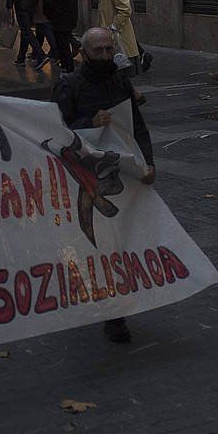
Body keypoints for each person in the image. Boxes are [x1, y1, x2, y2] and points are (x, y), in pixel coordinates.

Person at [52, 27, 155, 343]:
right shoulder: (69, 86)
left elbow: (137, 125)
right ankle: (107, 308)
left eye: (110, 50)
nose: (106, 56)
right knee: (98, 246)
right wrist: (88, 125)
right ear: (84, 53)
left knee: (120, 245)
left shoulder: (119, 81)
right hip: (86, 184)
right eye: (98, 51)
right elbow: (56, 133)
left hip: (120, 178)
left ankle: (116, 310)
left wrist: (148, 163)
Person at [87, 0, 139, 75]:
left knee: (121, 70)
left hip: (118, 34)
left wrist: (114, 26)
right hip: (110, 34)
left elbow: (125, 9)